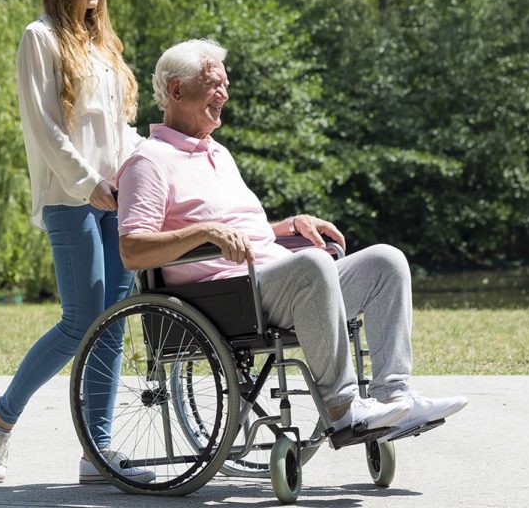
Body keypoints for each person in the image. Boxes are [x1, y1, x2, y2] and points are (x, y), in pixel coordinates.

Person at [116, 38, 467, 443]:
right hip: (223, 298)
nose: (225, 95)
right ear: (177, 90)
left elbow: (246, 229)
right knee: (314, 265)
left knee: (386, 262)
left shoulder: (218, 153)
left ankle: (394, 399)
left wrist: (289, 225)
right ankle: (342, 406)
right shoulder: (149, 162)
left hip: (270, 280)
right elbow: (133, 248)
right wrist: (204, 233)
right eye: (214, 85)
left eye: (225, 85)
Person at [0, 0, 154, 485]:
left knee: (113, 325)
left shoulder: (105, 46)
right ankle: (1, 417)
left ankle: (97, 452)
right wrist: (88, 182)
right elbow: (45, 126)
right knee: (81, 322)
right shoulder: (40, 38)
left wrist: (147, 165)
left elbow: (119, 129)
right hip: (69, 198)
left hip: (115, 199)